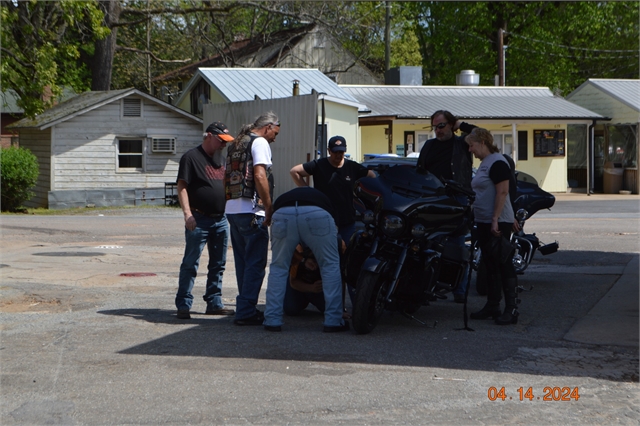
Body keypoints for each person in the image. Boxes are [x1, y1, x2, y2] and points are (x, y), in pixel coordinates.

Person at [263, 186, 349, 332]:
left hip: (283, 211)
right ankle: (333, 321)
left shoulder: (288, 195)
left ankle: (272, 320)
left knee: (278, 267)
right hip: (317, 213)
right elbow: (336, 233)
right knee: (330, 265)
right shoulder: (325, 199)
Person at [175, 122, 236, 320]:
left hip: (220, 219)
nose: (223, 145)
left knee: (218, 263)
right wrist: (187, 214)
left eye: (226, 142)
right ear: (209, 136)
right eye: (221, 141)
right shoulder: (191, 158)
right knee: (191, 262)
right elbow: (182, 186)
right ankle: (184, 304)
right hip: (198, 218)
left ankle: (214, 302)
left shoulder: (222, 160)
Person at [225, 111, 280, 326]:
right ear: (268, 127)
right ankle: (246, 311)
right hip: (251, 210)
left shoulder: (237, 143)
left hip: (232, 209)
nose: (275, 137)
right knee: (256, 264)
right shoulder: (260, 143)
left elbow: (226, 177)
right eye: (275, 132)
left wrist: (227, 203)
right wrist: (268, 207)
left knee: (243, 263)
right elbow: (259, 175)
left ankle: (244, 307)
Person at [416, 110, 476, 303]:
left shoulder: (463, 143)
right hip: (432, 200)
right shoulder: (429, 145)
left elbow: (482, 134)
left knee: (456, 246)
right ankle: (427, 289)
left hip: (457, 199)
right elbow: (420, 171)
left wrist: (461, 125)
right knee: (428, 245)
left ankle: (460, 290)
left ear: (451, 125)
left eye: (441, 126)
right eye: (434, 127)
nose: (438, 131)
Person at [466, 127, 520, 325]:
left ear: (482, 143)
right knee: (489, 264)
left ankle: (511, 309)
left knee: (503, 263)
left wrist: (496, 218)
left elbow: (503, 192)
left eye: (472, 145)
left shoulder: (497, 162)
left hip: (496, 222)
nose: (470, 150)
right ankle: (492, 305)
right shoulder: (485, 163)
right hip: (483, 220)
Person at [290, 135, 375, 244]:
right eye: (335, 152)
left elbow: (372, 176)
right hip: (324, 218)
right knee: (326, 252)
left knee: (347, 253)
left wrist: (364, 195)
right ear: (329, 151)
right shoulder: (319, 165)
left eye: (341, 152)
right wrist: (308, 191)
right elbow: (294, 171)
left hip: (347, 220)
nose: (338, 155)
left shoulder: (353, 167)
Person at [283, 240, 348, 318]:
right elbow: (293, 282)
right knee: (291, 309)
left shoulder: (339, 246)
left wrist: (340, 309)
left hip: (322, 286)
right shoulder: (299, 249)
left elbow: (342, 280)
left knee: (332, 311)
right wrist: (311, 288)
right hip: (301, 283)